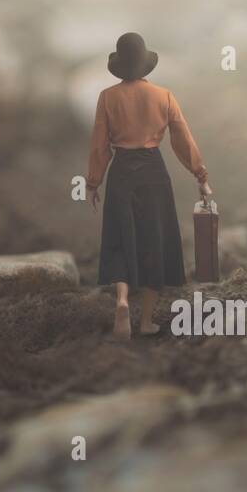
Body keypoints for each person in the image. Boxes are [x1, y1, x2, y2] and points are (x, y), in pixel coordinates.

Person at [88, 33, 208, 340]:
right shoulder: (164, 96)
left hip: (122, 173)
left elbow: (100, 147)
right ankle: (145, 322)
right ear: (144, 64)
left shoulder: (107, 97)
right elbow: (183, 140)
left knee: (119, 235)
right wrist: (199, 174)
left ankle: (123, 301)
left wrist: (93, 181)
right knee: (154, 239)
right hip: (154, 173)